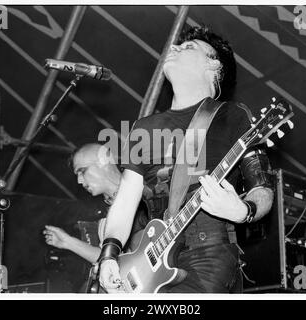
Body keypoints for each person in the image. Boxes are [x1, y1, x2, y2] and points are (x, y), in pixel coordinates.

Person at [98, 25, 274, 293]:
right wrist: (109, 254)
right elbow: (125, 202)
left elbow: (263, 188)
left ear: (214, 66)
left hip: (208, 255)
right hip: (149, 263)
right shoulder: (143, 128)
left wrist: (244, 211)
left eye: (188, 47)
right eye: (176, 46)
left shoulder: (233, 116)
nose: (173, 48)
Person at [43, 143, 148, 265]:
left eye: (82, 171)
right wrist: (67, 242)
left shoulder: (143, 187)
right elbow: (106, 258)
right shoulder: (104, 223)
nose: (79, 181)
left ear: (103, 160)